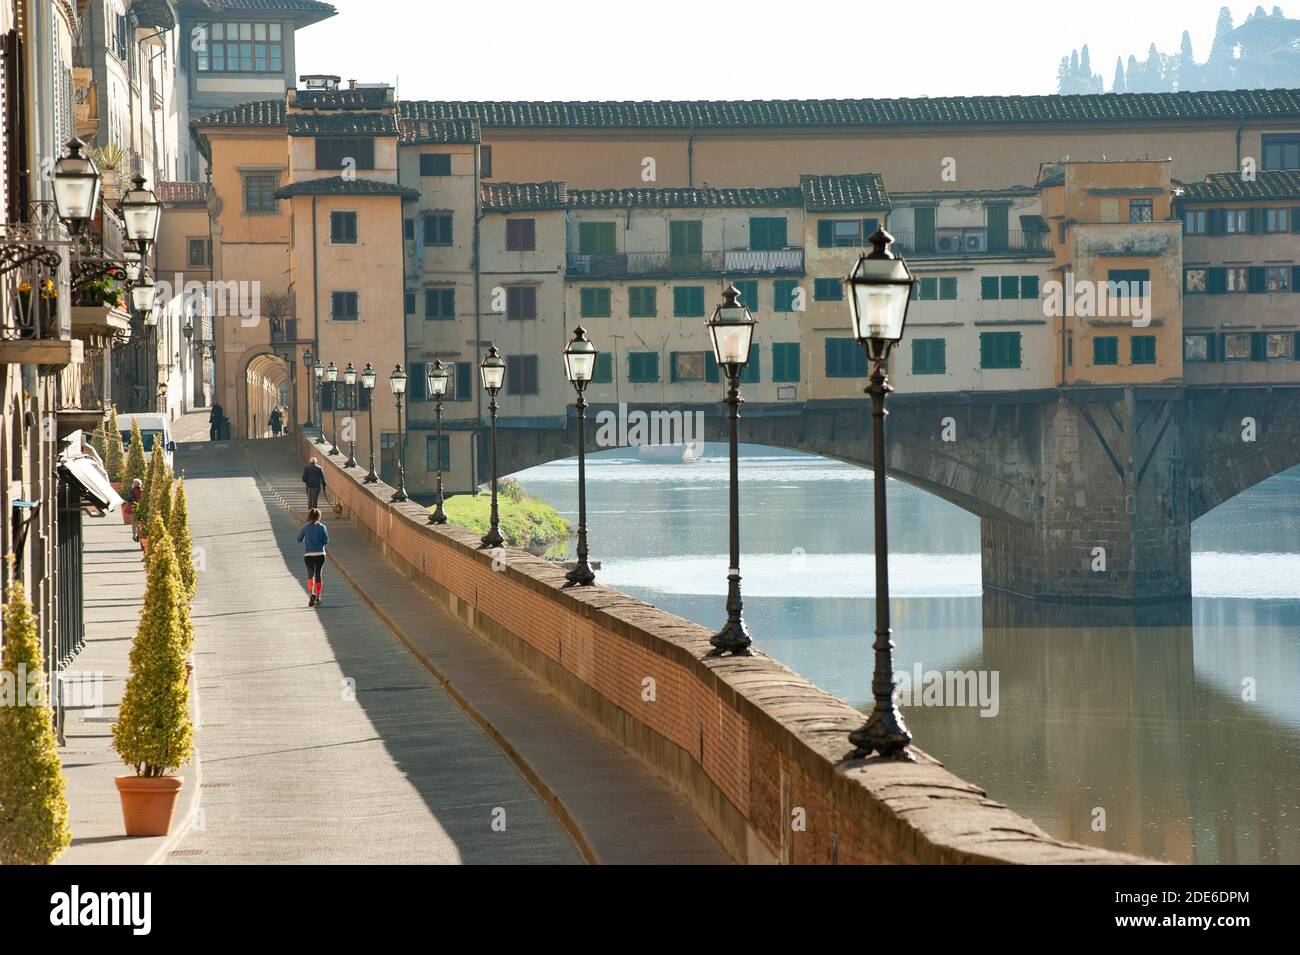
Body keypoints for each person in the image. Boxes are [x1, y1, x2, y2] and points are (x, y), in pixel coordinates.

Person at [296, 508, 329, 607]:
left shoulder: (306, 527)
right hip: (320, 554)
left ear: (309, 516)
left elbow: (299, 539)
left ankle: (312, 593)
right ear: (319, 516)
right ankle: (318, 597)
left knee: (310, 575)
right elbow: (326, 540)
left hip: (308, 555)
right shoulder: (322, 527)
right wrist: (319, 544)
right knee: (318, 574)